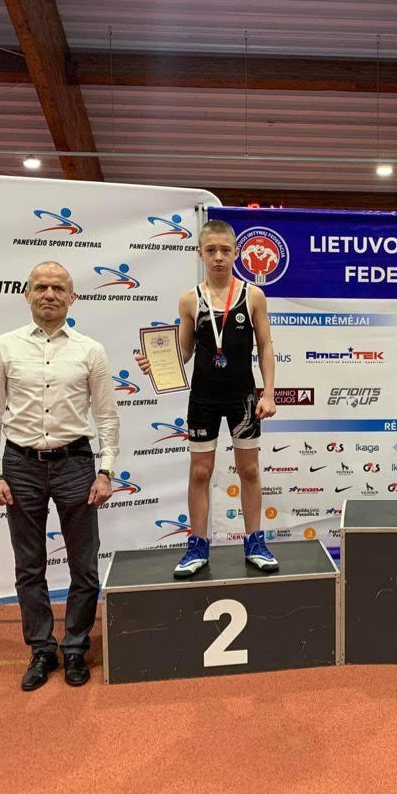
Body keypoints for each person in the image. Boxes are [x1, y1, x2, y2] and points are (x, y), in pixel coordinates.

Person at [0, 261, 120, 692]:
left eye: (58, 288)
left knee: (84, 565)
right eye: (41, 287)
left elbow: (106, 417)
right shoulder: (2, 347)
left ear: (72, 298)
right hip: (19, 466)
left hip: (76, 464)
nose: (49, 294)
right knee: (29, 566)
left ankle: (75, 647)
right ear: (27, 294)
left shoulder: (90, 350)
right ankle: (41, 649)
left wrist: (106, 470)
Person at [136, 219, 278, 576]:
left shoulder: (253, 296)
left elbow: (265, 346)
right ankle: (197, 546)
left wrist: (269, 393)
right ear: (199, 253)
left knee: (249, 469)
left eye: (225, 250)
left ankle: (255, 542)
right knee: (200, 472)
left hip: (243, 397)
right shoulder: (190, 299)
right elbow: (184, 352)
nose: (218, 257)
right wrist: (156, 363)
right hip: (203, 397)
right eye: (211, 250)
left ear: (237, 253)